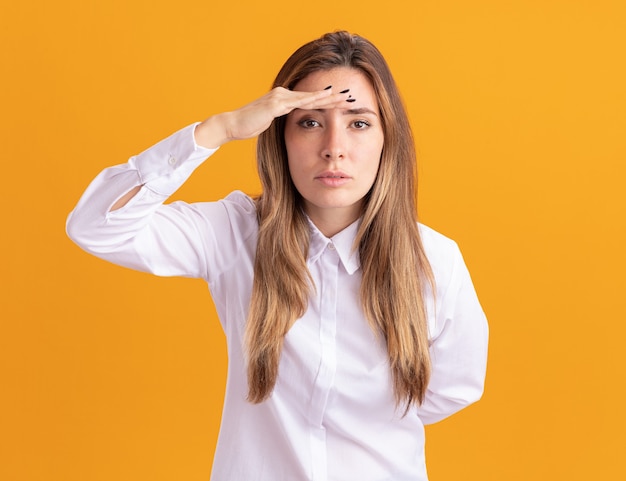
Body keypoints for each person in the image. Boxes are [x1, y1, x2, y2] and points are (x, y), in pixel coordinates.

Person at [67, 31, 488, 481]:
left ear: (388, 140)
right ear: (280, 136)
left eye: (358, 123)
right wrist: (218, 130)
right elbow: (96, 225)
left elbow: (455, 386)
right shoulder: (234, 233)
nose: (334, 147)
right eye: (309, 121)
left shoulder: (435, 261)